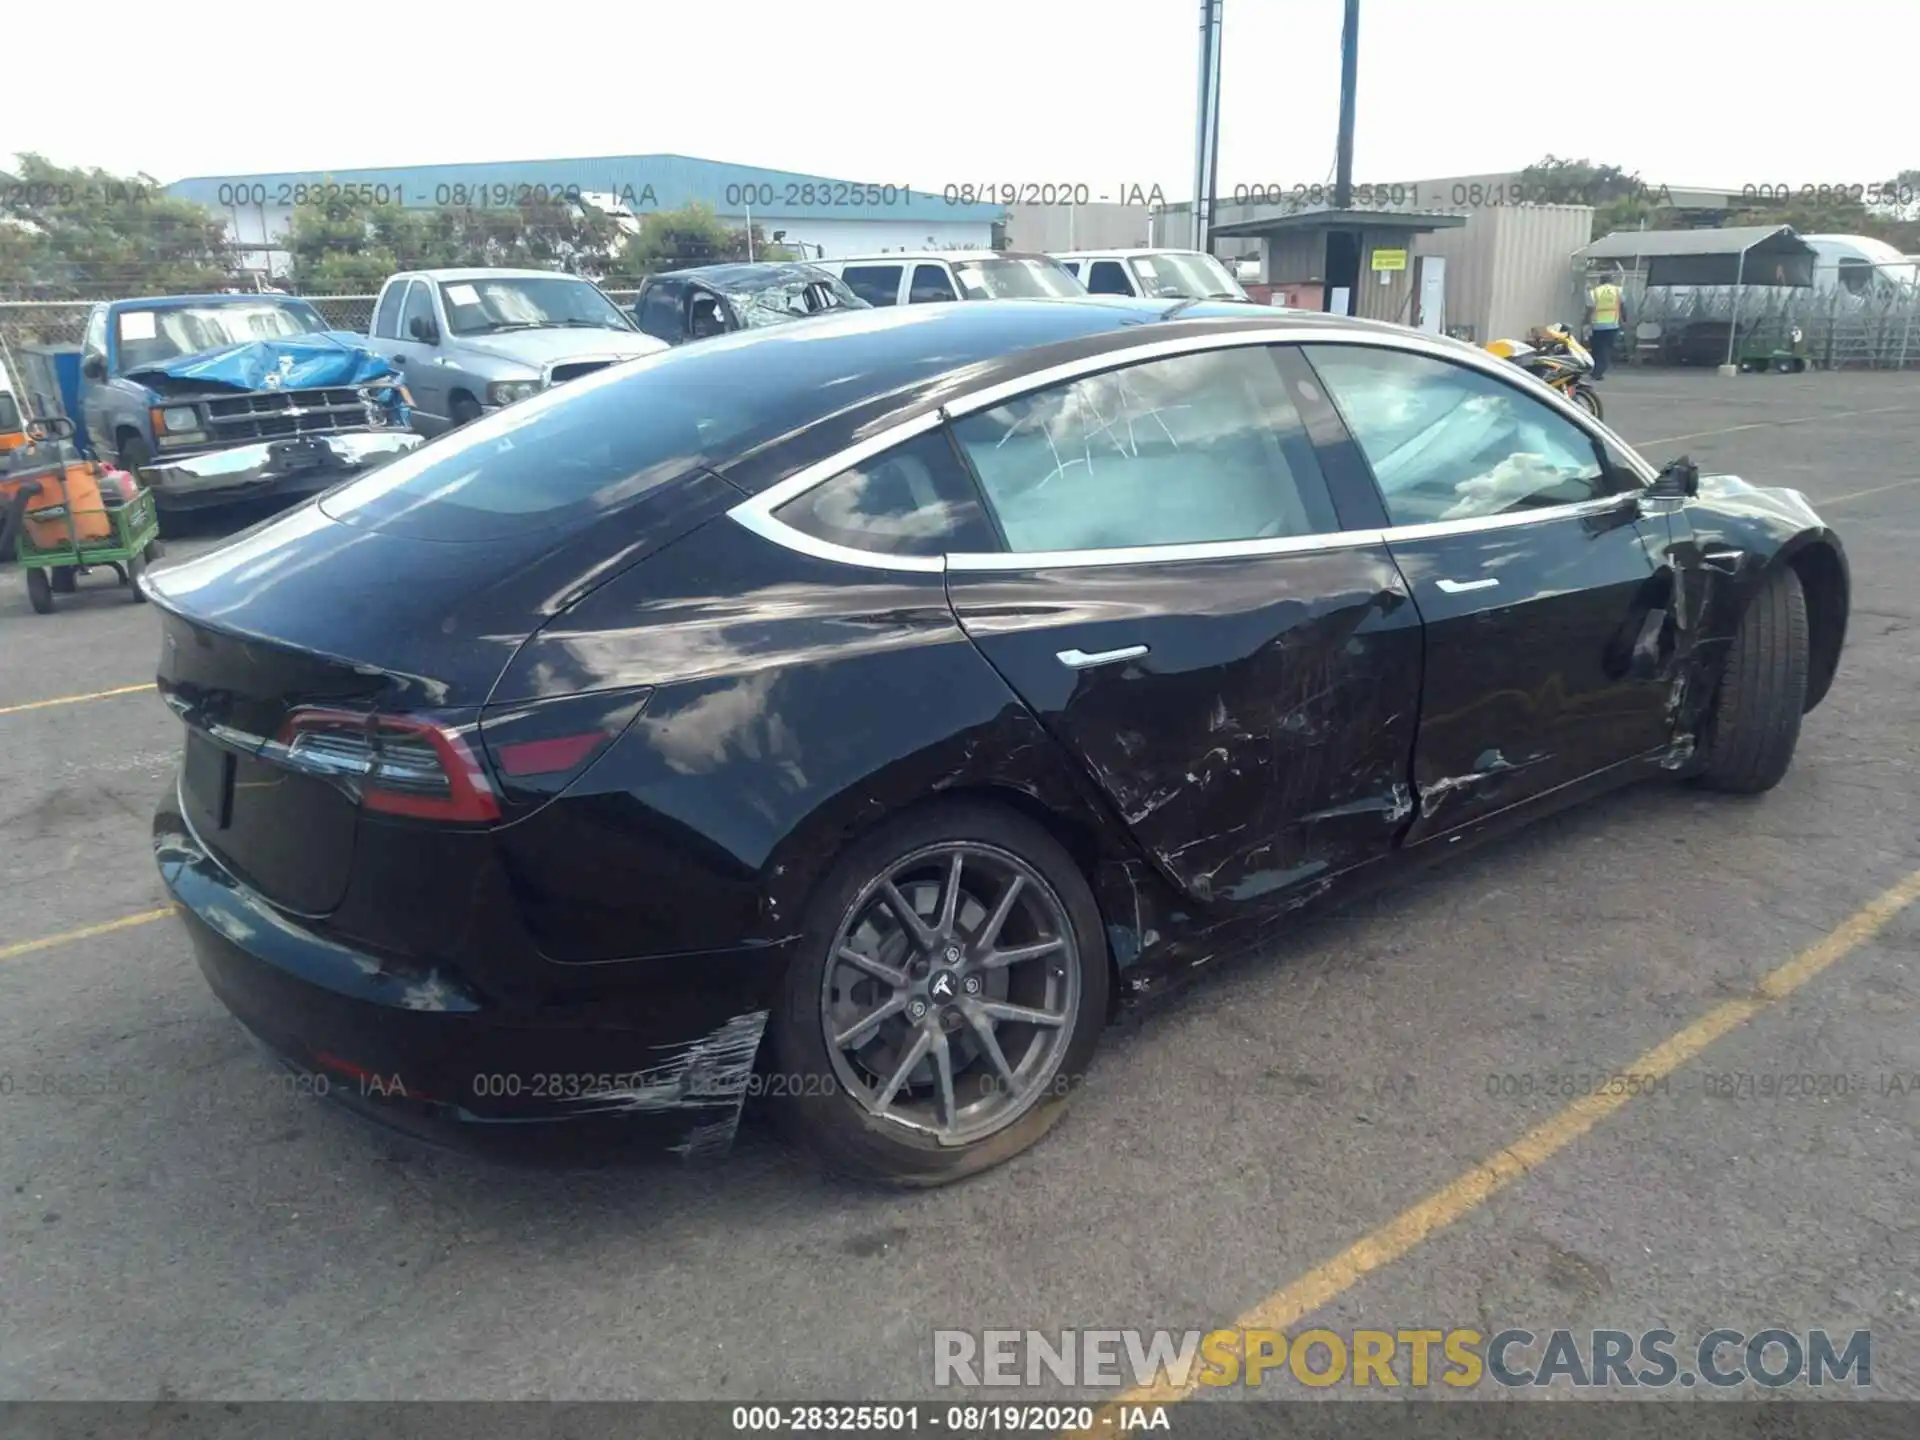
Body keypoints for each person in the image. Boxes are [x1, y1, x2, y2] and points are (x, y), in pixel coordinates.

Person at [1585, 271, 1626, 379]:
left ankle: (1595, 370)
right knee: (1606, 349)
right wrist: (1624, 320)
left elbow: (1589, 309)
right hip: (1612, 324)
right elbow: (1622, 307)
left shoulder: (1594, 292)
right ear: (1611, 281)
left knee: (1596, 349)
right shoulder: (1618, 291)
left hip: (1597, 325)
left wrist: (1585, 321)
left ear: (1600, 281)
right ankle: (1599, 372)